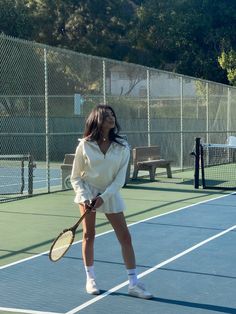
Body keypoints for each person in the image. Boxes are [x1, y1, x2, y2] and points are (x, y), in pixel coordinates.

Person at [71, 104, 153, 299]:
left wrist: (103, 198)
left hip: (110, 193)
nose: (111, 118)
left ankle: (133, 284)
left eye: (112, 115)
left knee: (125, 237)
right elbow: (76, 177)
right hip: (87, 192)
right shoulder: (84, 145)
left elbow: (119, 180)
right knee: (89, 235)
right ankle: (90, 279)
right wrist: (85, 196)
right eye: (106, 115)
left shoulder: (122, 146)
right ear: (97, 119)